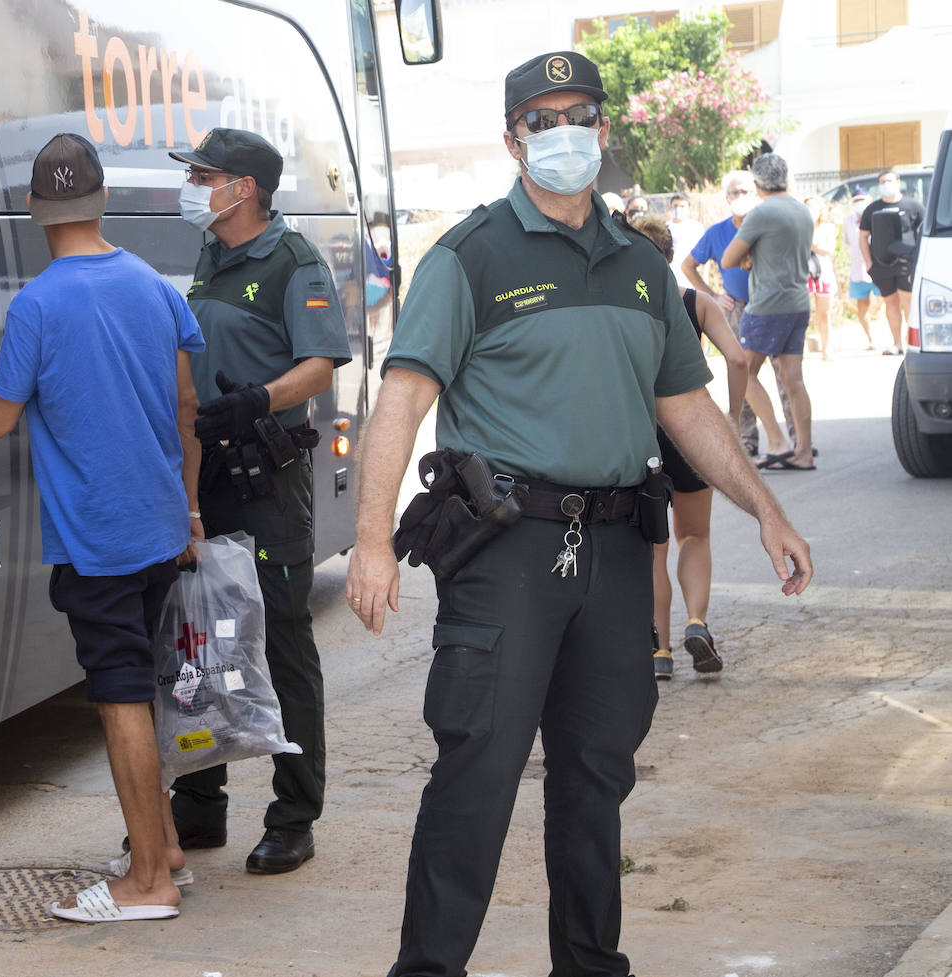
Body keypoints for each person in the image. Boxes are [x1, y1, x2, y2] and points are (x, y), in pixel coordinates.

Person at [344, 50, 813, 977]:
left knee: (598, 775)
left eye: (580, 116)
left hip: (616, 550)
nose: (563, 133)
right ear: (512, 139)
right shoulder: (469, 256)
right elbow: (401, 398)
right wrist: (370, 540)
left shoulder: (640, 265)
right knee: (478, 772)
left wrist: (764, 507)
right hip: (506, 551)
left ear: (604, 130)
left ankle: (591, 965)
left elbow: (687, 405)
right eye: (542, 119)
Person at [0, 133, 205, 923]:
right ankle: (165, 846)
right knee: (143, 689)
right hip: (159, 525)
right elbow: (187, 406)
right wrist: (190, 507)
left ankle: (147, 881)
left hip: (98, 538)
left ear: (35, 210)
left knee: (119, 699)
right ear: (103, 198)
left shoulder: (36, 305)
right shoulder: (154, 285)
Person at [166, 128, 351, 875]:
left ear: (242, 188)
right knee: (198, 639)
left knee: (281, 644)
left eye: (203, 176)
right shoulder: (210, 252)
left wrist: (256, 401)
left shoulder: (293, 260)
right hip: (203, 472)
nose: (193, 187)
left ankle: (294, 816)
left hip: (264, 478)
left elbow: (322, 363)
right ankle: (198, 807)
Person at [633, 218, 748, 681]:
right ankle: (697, 623)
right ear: (669, 255)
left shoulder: (620, 304)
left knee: (654, 547)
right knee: (694, 536)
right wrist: (733, 416)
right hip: (690, 431)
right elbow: (737, 358)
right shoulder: (696, 302)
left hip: (643, 433)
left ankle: (659, 651)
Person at [681, 169, 796, 456]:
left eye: (745, 191)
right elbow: (688, 265)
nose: (740, 196)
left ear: (755, 193)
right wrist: (712, 296)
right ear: (726, 197)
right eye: (734, 192)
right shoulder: (717, 232)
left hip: (772, 307)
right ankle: (748, 438)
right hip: (737, 310)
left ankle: (796, 439)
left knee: (784, 373)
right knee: (741, 372)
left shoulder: (767, 226)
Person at [723, 153, 817, 471]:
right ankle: (803, 452)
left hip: (767, 305)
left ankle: (777, 441)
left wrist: (748, 254)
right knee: (793, 379)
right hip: (798, 302)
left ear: (757, 181)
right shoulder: (802, 210)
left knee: (744, 373)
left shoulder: (761, 213)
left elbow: (728, 259)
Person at [860, 170, 926, 355]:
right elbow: (863, 236)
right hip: (881, 264)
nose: (886, 185)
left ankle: (912, 343)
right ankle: (897, 344)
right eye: (882, 182)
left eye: (889, 180)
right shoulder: (872, 209)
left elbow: (925, 231)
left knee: (908, 301)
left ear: (898, 182)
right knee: (891, 302)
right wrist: (868, 263)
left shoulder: (913, 205)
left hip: (907, 261)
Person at [843, 191, 878, 349]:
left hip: (877, 270)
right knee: (862, 307)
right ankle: (871, 339)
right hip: (857, 270)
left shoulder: (876, 217)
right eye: (857, 201)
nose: (860, 204)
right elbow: (848, 243)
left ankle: (897, 338)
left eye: (862, 200)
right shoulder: (848, 221)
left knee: (890, 302)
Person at [805, 196, 838, 361]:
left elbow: (829, 250)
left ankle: (826, 349)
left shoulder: (828, 228)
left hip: (823, 275)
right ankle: (801, 348)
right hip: (803, 276)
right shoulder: (799, 228)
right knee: (802, 314)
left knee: (824, 314)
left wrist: (814, 245)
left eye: (813, 207)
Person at [665, 192, 704, 281]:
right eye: (675, 206)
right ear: (670, 207)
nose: (678, 209)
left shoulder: (696, 227)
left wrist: (703, 276)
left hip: (690, 278)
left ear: (688, 208)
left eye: (682, 206)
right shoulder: (665, 227)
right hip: (670, 276)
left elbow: (703, 253)